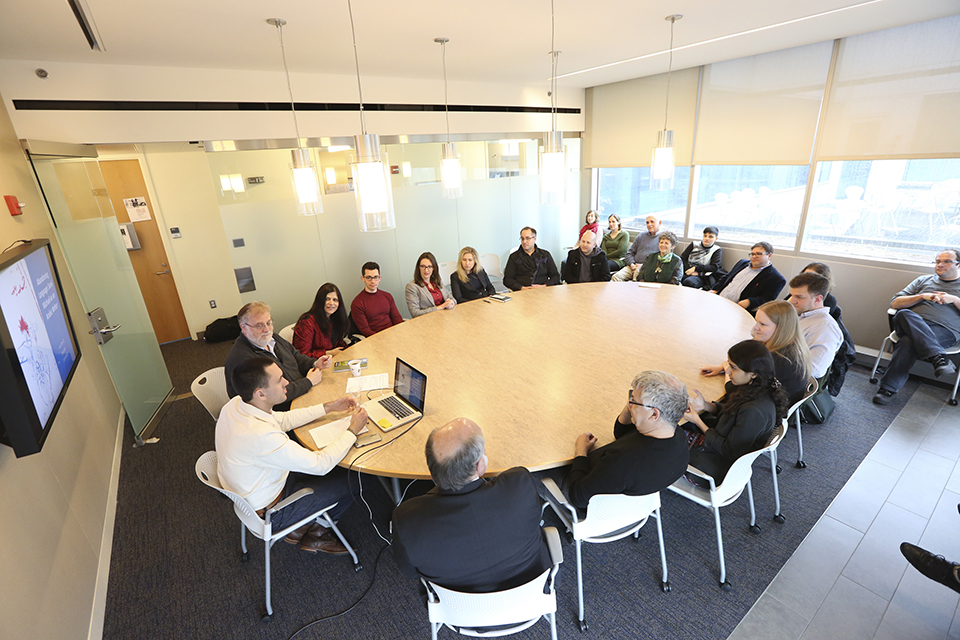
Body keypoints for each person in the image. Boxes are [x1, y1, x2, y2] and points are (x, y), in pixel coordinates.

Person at [216, 356, 368, 554]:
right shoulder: (260, 436)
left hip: (262, 487)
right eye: (279, 380)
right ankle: (318, 531)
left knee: (334, 464)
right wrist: (352, 430)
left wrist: (328, 407)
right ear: (260, 393)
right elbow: (320, 465)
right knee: (357, 477)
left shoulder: (236, 404)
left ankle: (303, 528)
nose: (286, 381)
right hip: (275, 511)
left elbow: (283, 419)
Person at [391, 418, 552, 593]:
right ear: (479, 464)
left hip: (457, 613)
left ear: (432, 470)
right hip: (534, 596)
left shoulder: (407, 521)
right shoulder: (520, 485)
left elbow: (411, 571)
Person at [564, 370, 690, 511]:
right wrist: (633, 407)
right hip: (638, 505)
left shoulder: (621, 459)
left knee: (549, 475)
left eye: (634, 400)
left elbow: (578, 496)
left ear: (654, 413)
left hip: (601, 511)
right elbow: (622, 434)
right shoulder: (677, 436)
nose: (629, 403)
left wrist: (581, 451)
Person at [684, 340, 788, 486]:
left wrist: (698, 421)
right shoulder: (758, 389)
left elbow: (729, 450)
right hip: (720, 446)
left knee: (663, 438)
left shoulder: (755, 411)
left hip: (718, 466)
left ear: (753, 374)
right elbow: (733, 415)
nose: (727, 371)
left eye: (733, 368)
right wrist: (706, 406)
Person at [872, 249, 960, 405]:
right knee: (903, 314)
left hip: (944, 330)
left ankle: (887, 389)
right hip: (910, 322)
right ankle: (938, 357)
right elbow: (895, 303)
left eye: (946, 261)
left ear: (958, 265)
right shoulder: (923, 281)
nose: (940, 265)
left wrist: (953, 299)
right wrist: (922, 296)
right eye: (938, 261)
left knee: (908, 342)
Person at [225, 301, 331, 411]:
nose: (266, 329)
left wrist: (313, 363)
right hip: (282, 410)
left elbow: (295, 355)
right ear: (244, 327)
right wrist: (308, 382)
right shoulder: (243, 360)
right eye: (259, 325)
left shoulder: (271, 338)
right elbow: (273, 395)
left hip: (302, 393)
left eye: (269, 323)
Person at [701, 301, 812, 405]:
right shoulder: (790, 345)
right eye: (756, 321)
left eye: (762, 324)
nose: (755, 328)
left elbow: (735, 390)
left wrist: (726, 368)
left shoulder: (778, 360)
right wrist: (723, 366)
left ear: (781, 329)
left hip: (759, 413)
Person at [787, 272, 843, 381]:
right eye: (791, 295)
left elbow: (815, 370)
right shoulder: (799, 314)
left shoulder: (825, 328)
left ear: (817, 299)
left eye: (799, 297)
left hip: (789, 381)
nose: (791, 301)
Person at [709, 241, 785, 313]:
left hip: (738, 310)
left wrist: (750, 302)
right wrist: (715, 289)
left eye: (758, 254)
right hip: (718, 300)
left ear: (769, 256)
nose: (754, 257)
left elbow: (767, 299)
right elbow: (726, 277)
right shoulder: (742, 263)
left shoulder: (776, 278)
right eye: (752, 254)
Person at [293, 283, 349, 359]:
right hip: (313, 365)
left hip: (331, 360)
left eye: (335, 300)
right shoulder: (306, 322)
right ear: (320, 301)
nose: (331, 303)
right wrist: (329, 353)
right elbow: (302, 355)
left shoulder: (334, 318)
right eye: (327, 299)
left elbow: (338, 342)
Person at [350, 261, 404, 337]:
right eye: (369, 277)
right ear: (363, 278)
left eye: (376, 277)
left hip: (394, 335)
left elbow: (397, 319)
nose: (373, 281)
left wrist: (402, 332)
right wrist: (382, 339)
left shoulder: (387, 296)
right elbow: (366, 331)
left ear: (380, 278)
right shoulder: (357, 303)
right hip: (375, 339)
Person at [503, 226, 560, 291]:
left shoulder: (545, 255)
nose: (524, 241)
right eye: (522, 238)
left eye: (527, 238)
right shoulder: (514, 257)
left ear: (534, 239)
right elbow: (507, 280)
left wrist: (544, 286)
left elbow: (555, 277)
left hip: (543, 290)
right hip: (522, 291)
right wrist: (521, 288)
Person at [611, 215, 663, 282]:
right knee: (615, 277)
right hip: (633, 266)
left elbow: (662, 259)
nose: (649, 224)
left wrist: (642, 266)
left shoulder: (663, 239)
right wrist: (632, 264)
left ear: (660, 223)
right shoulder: (641, 236)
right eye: (647, 222)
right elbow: (629, 253)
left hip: (649, 268)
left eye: (652, 222)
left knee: (636, 279)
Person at [405, 252, 456, 318]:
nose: (426, 270)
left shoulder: (438, 281)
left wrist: (451, 302)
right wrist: (441, 307)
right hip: (428, 320)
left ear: (434, 268)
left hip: (445, 317)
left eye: (429, 266)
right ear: (419, 268)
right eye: (423, 266)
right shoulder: (412, 287)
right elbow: (415, 313)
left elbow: (452, 299)